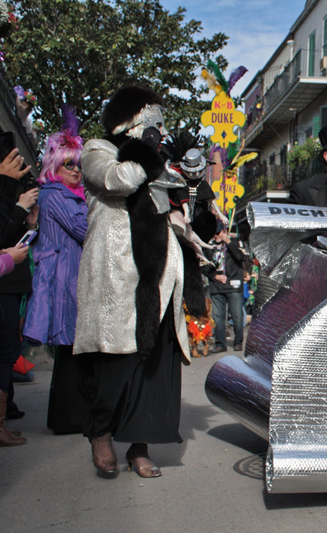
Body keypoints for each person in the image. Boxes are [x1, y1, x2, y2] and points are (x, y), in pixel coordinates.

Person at [74, 86, 204, 476]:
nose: (160, 131)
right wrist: (147, 149)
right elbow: (120, 180)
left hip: (159, 275)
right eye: (153, 122)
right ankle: (101, 432)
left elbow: (180, 204)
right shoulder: (98, 149)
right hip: (116, 272)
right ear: (131, 120)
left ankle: (140, 445)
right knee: (117, 359)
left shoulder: (160, 160)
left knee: (155, 363)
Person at [22, 120, 92, 435]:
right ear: (54, 165)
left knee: (71, 352)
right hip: (65, 278)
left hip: (69, 273)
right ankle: (69, 419)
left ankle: (66, 418)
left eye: (79, 165)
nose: (76, 170)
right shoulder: (57, 196)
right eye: (69, 164)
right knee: (70, 349)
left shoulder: (62, 194)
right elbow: (83, 230)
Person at [0, 148, 37, 447]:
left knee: (9, 351)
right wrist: (20, 207)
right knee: (5, 353)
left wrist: (29, 222)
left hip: (12, 284)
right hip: (5, 283)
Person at [204, 225, 245, 354]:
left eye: (219, 232)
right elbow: (203, 266)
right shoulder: (208, 246)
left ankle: (238, 341)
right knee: (217, 317)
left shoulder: (235, 242)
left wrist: (228, 241)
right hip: (217, 286)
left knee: (237, 316)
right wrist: (215, 276)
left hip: (233, 285)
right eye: (214, 233)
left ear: (225, 231)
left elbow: (241, 257)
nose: (217, 235)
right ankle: (220, 343)